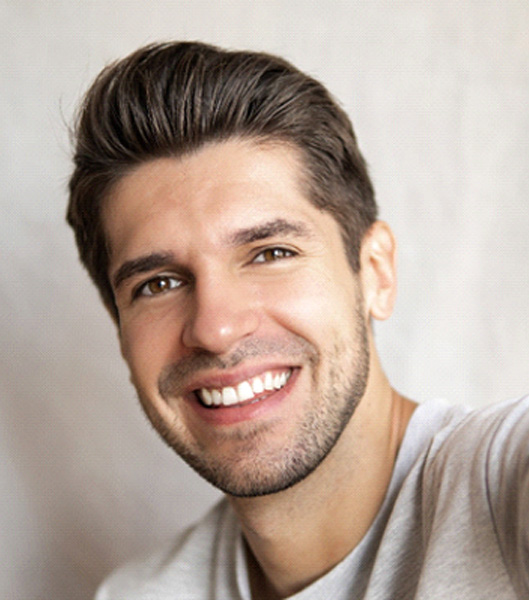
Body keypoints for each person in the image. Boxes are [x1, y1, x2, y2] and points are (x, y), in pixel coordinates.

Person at [67, 41, 529, 599]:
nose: (215, 328)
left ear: (375, 273)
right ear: (120, 330)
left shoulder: (500, 486)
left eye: (270, 253)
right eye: (158, 284)